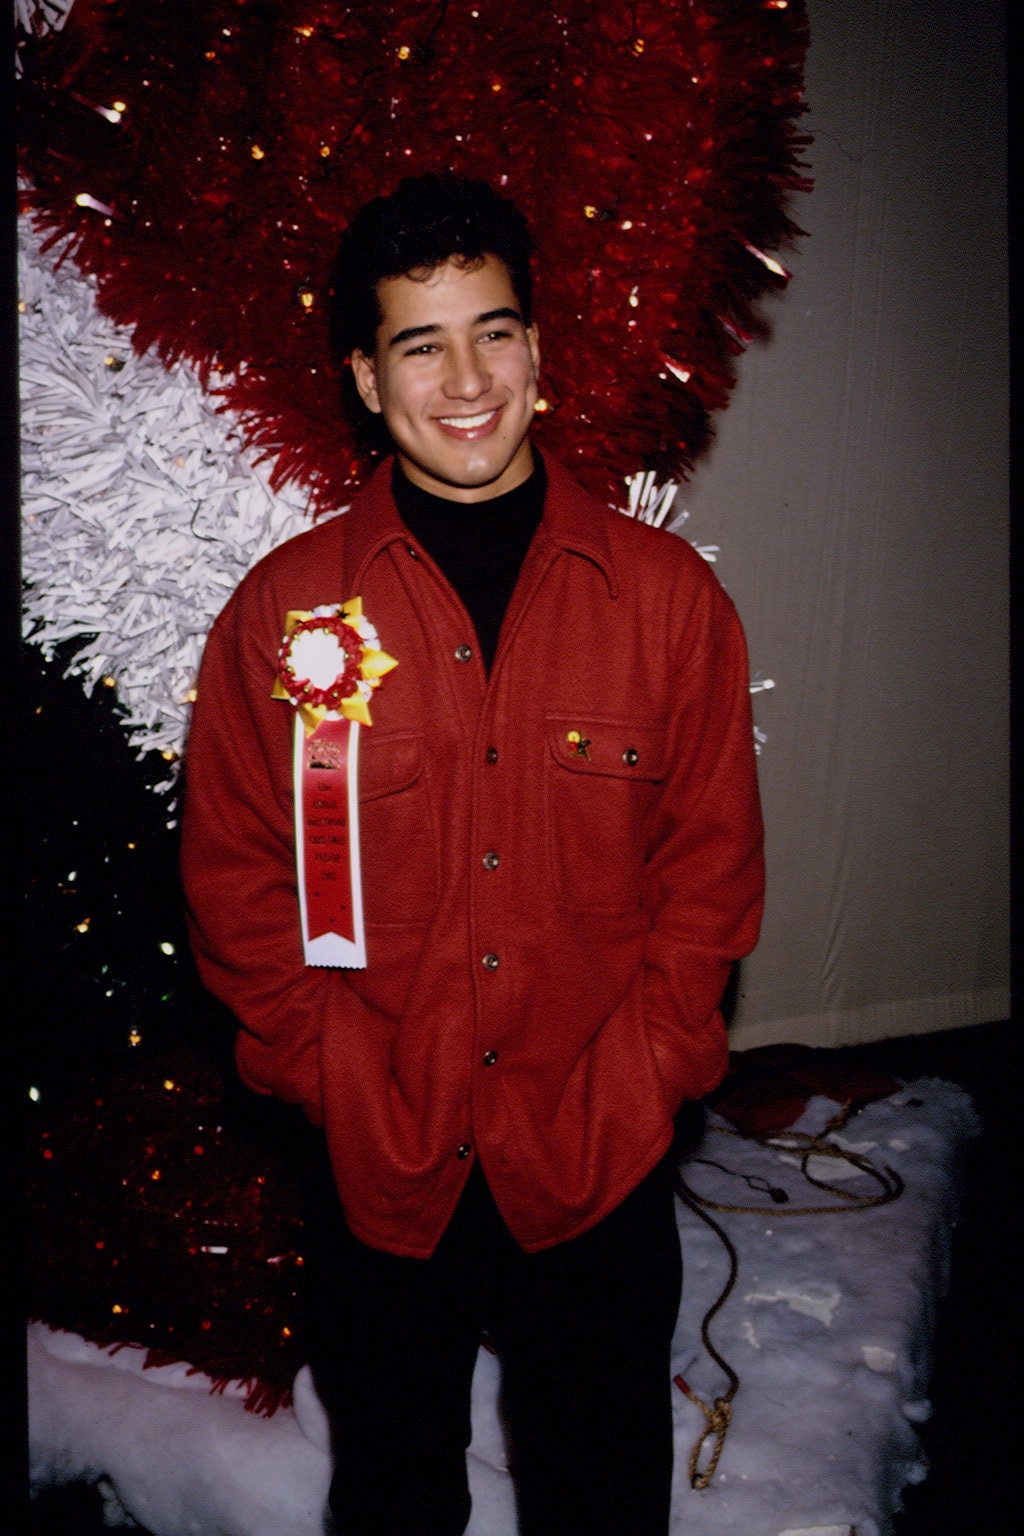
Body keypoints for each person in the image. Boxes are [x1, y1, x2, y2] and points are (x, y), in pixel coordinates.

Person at [180, 171, 764, 1536]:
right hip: (383, 1159)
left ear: (539, 352)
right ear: (366, 383)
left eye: (494, 330)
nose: (466, 379)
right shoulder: (281, 617)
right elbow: (235, 878)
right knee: (391, 1492)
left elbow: (710, 877)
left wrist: (648, 1075)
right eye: (419, 342)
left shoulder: (669, 605)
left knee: (601, 1492)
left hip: (597, 1155)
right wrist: (326, 1069)